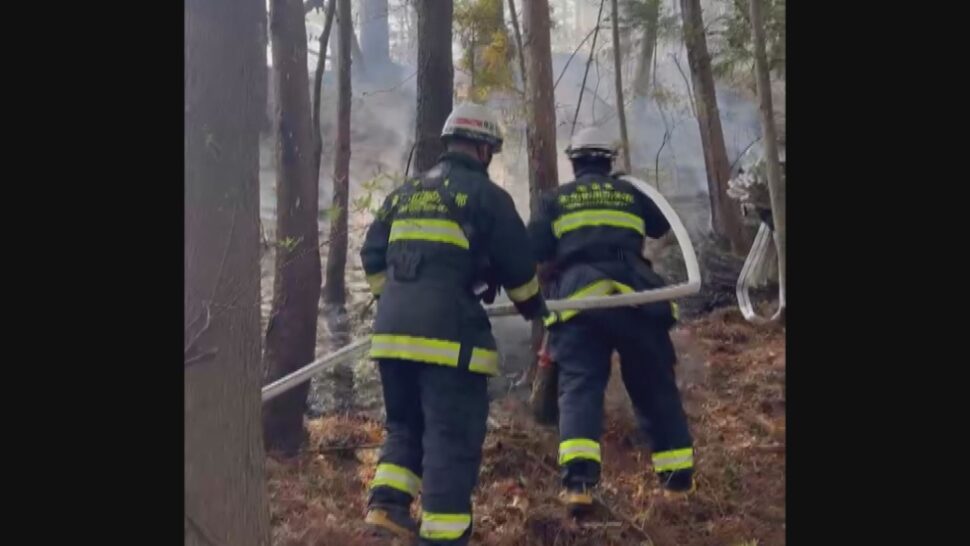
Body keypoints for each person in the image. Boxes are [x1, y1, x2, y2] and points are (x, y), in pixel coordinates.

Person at [360, 103, 549, 544]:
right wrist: (536, 310)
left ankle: (387, 506)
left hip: (390, 338)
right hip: (449, 343)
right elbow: (520, 271)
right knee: (451, 438)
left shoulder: (405, 193)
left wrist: (395, 300)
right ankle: (442, 537)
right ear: (483, 150)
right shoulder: (488, 198)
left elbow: (372, 256)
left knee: (405, 425)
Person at [527, 126, 696, 516]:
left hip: (580, 302)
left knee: (580, 388)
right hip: (636, 298)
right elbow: (660, 225)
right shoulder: (630, 192)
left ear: (574, 162)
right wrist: (624, 188)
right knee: (655, 387)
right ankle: (677, 485)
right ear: (609, 161)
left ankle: (578, 487)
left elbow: (534, 248)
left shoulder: (555, 199)